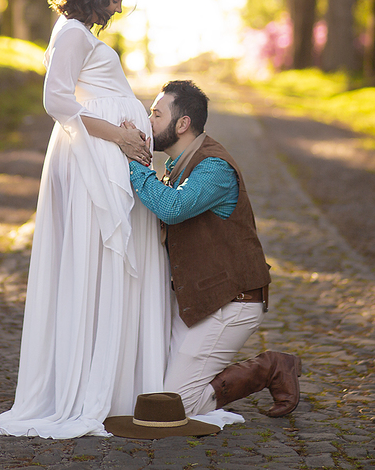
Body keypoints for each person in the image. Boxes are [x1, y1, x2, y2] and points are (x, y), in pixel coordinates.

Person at [0, 0, 171, 439]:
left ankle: (115, 381)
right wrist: (119, 135)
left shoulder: (79, 33)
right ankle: (93, 385)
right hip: (93, 158)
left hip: (105, 155)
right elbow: (55, 99)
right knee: (98, 262)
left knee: (107, 266)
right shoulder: (72, 32)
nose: (118, 7)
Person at [127, 79, 301, 419]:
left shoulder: (214, 167)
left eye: (156, 115)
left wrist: (133, 162)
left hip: (232, 303)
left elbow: (173, 207)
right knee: (152, 390)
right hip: (198, 301)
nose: (148, 122)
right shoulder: (178, 166)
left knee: (177, 406)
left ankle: (269, 368)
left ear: (182, 124)